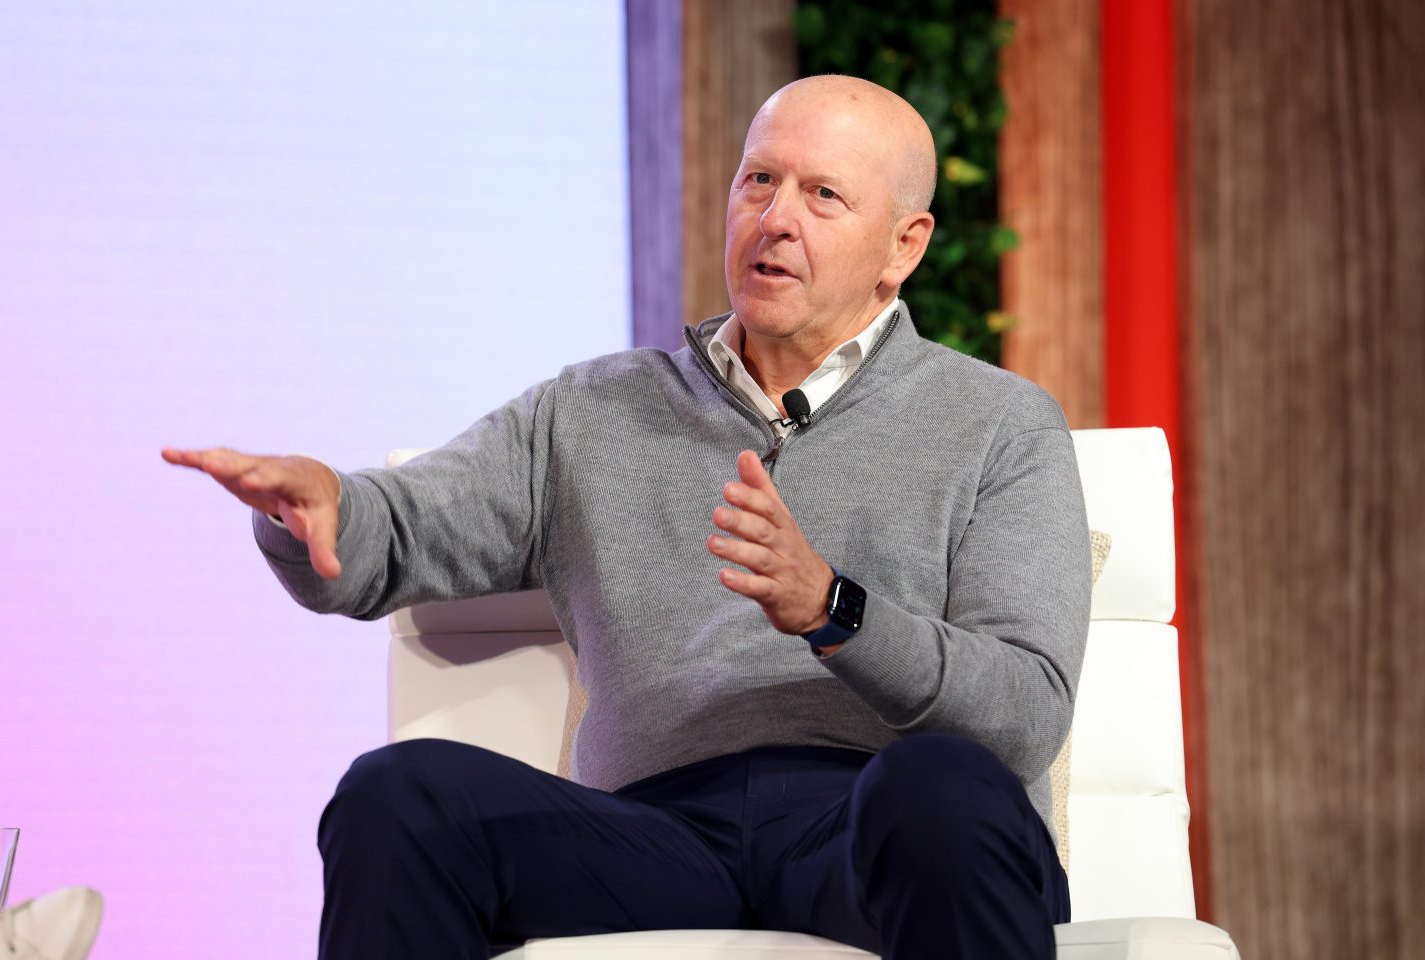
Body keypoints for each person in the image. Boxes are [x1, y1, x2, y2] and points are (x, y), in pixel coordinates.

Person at [164, 75, 1091, 960]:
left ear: (904, 245)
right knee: (396, 796)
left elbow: (1022, 711)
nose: (775, 219)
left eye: (822, 196)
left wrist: (833, 611)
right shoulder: (594, 411)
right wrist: (317, 506)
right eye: (759, 180)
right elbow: (403, 529)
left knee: (941, 790)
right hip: (658, 831)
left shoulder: (999, 424)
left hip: (873, 822)